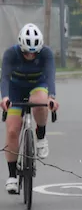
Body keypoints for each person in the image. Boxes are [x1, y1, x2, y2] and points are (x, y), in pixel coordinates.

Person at [1, 23, 58, 193]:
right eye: (27, 52)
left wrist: (52, 97)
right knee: (12, 130)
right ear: (21, 47)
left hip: (37, 85)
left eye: (34, 53)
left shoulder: (46, 53)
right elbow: (4, 78)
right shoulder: (11, 54)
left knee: (40, 102)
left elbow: (50, 76)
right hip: (15, 89)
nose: (31, 55)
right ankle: (12, 175)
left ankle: (41, 136)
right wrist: (4, 98)